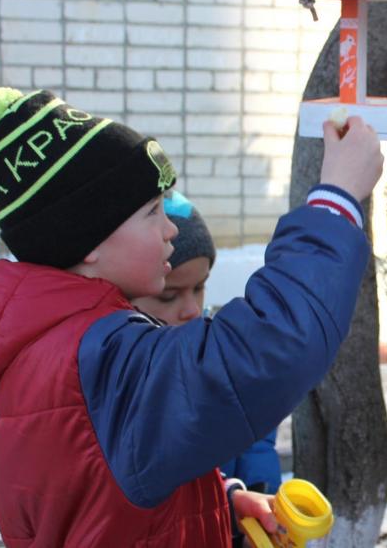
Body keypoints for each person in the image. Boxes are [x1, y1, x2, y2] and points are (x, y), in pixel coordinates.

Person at [0, 86, 383, 547]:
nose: (170, 228)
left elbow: (103, 503)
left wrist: (220, 504)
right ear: (86, 241)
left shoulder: (50, 357)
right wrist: (337, 200)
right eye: (152, 211)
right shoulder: (97, 364)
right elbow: (271, 347)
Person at [132, 191, 283, 545]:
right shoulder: (126, 379)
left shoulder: (217, 354)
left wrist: (248, 502)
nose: (190, 309)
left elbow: (256, 441)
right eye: (170, 295)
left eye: (199, 288)